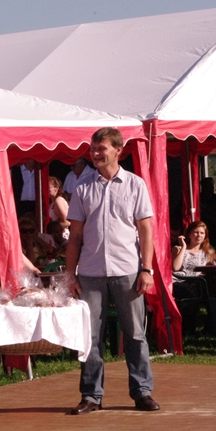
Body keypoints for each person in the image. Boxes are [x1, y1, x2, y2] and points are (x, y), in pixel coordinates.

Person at [66, 127, 160, 414]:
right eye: (92, 149)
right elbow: (75, 236)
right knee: (90, 336)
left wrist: (147, 269)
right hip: (91, 271)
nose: (95, 154)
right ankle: (91, 395)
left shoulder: (135, 184)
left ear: (118, 150)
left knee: (135, 334)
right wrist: (70, 274)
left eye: (101, 148)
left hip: (127, 269)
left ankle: (142, 392)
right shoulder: (82, 187)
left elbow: (146, 230)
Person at [172, 221, 216, 335]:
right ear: (189, 234)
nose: (199, 235)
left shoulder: (208, 252)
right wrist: (184, 247)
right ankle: (188, 330)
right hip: (180, 281)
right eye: (196, 232)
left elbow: (208, 271)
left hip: (198, 282)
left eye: (202, 233)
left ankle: (211, 329)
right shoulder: (178, 249)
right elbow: (175, 267)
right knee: (192, 293)